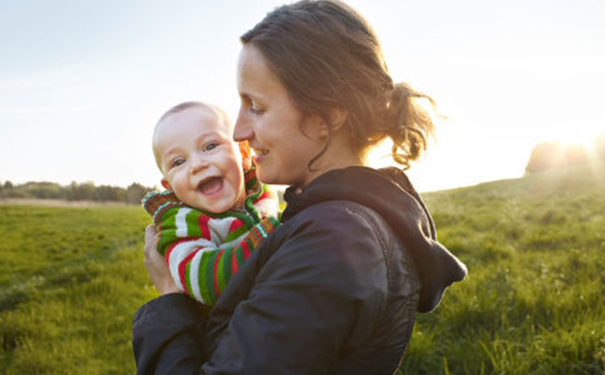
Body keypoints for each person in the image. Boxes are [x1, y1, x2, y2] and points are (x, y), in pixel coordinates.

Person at [132, 1, 467, 374]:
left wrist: (169, 300)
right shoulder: (330, 223)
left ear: (328, 114)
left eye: (256, 106)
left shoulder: (333, 243)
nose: (239, 132)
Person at [142, 101, 280, 307]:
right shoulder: (182, 224)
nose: (197, 165)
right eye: (178, 162)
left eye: (210, 146)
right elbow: (207, 282)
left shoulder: (262, 190)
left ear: (243, 154)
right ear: (170, 187)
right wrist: (274, 235)